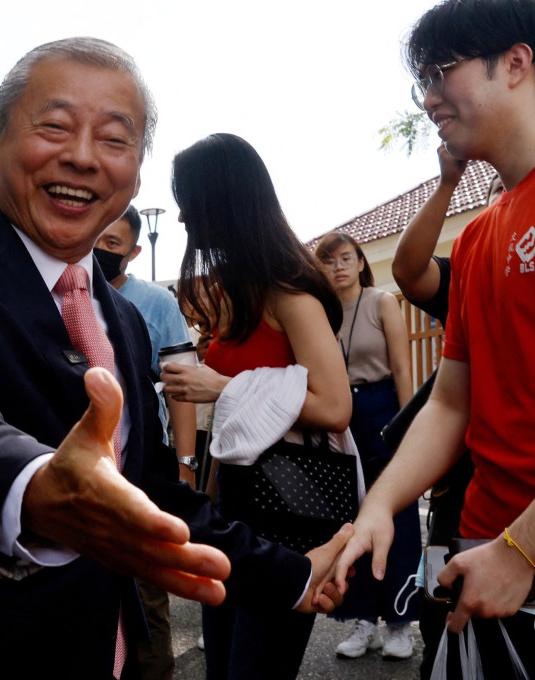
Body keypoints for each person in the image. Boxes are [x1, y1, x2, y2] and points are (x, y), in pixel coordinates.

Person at [0, 38, 353, 680]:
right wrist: (33, 484)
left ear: (135, 175)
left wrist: (293, 575)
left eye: (114, 139)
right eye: (54, 126)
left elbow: (151, 491)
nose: (82, 157)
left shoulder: (126, 322)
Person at [331, 0, 535, 676]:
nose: (428, 99)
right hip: (478, 546)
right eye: (421, 81)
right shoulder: (479, 235)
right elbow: (452, 401)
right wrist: (380, 505)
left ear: (516, 63)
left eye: (440, 72)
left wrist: (522, 548)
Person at [159, 132, 352, 679]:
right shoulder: (239, 294)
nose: (182, 217)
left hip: (289, 512)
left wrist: (222, 386)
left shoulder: (290, 294)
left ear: (221, 200)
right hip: (237, 511)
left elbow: (335, 407)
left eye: (188, 202)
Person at [390, 144, 502, 678]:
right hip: (461, 482)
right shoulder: (472, 270)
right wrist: (447, 184)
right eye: (496, 191)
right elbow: (409, 272)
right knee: (445, 607)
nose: (506, 199)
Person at [95, 204, 196, 679]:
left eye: (112, 243)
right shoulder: (56, 286)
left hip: (138, 465)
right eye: (98, 237)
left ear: (134, 252)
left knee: (145, 590)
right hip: (74, 464)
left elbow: (180, 388)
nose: (100, 249)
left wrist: (185, 463)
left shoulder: (156, 304)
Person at [314, 232, 418, 660]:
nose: (338, 267)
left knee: (397, 514)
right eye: (329, 261)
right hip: (341, 414)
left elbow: (402, 367)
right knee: (350, 518)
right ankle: (363, 620)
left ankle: (400, 622)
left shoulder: (381, 302)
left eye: (345, 258)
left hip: (383, 407)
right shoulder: (320, 312)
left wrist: (408, 427)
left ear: (360, 262)